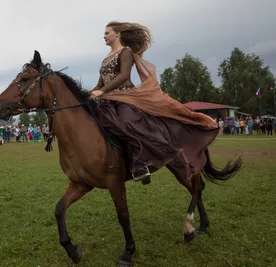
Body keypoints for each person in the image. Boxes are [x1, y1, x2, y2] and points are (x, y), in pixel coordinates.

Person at [89, 21, 219, 185]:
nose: (104, 36)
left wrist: (102, 91)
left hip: (125, 98)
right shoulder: (105, 59)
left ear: (118, 34)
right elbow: (100, 84)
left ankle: (142, 165)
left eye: (107, 33)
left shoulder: (125, 52)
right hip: (108, 101)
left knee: (127, 122)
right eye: (104, 33)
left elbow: (123, 77)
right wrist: (89, 93)